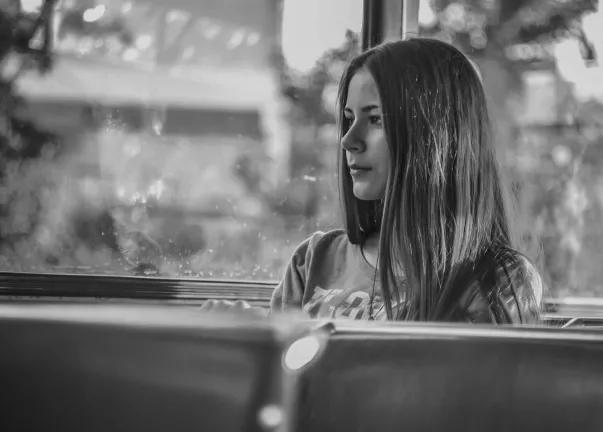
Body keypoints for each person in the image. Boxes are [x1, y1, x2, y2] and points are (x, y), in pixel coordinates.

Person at [204, 37, 543, 324]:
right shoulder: (315, 260)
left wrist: (283, 338)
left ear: (437, 137)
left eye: (376, 119)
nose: (348, 140)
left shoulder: (498, 280)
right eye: (348, 119)